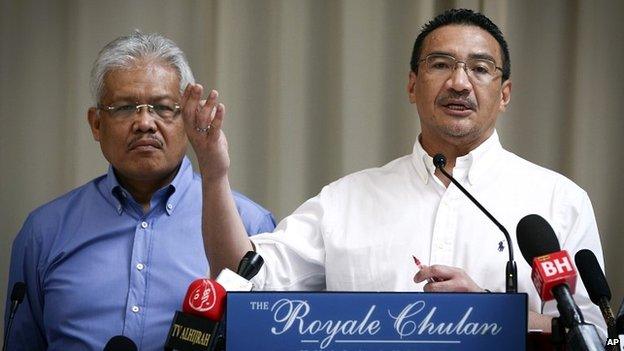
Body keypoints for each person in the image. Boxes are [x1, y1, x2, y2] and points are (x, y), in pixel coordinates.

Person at [182, 9, 606, 335]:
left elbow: (597, 336)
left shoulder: (558, 201)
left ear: (505, 94)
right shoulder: (345, 200)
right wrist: (215, 176)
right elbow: (242, 277)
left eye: (479, 68)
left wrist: (491, 312)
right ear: (411, 84)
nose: (459, 83)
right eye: (440, 64)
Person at [3, 32, 276, 350]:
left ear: (187, 120)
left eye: (162, 107)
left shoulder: (250, 225)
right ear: (96, 124)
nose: (145, 122)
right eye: (124, 108)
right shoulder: (44, 232)